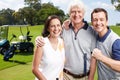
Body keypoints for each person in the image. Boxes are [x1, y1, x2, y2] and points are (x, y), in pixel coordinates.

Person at [35, 1, 97, 80]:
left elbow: (93, 58)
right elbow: (52, 36)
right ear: (69, 14)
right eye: (73, 12)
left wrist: (90, 78)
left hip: (84, 77)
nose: (76, 14)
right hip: (65, 76)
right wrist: (38, 38)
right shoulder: (63, 29)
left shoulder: (91, 32)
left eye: (79, 11)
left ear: (83, 13)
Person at [32, 15, 65, 80]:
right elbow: (34, 69)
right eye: (52, 26)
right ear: (47, 28)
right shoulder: (41, 43)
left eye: (58, 25)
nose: (56, 29)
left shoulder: (61, 42)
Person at [91, 8, 120, 80]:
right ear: (92, 22)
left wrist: (101, 57)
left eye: (101, 19)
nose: (98, 23)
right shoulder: (96, 35)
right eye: (95, 20)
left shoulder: (115, 41)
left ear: (107, 21)